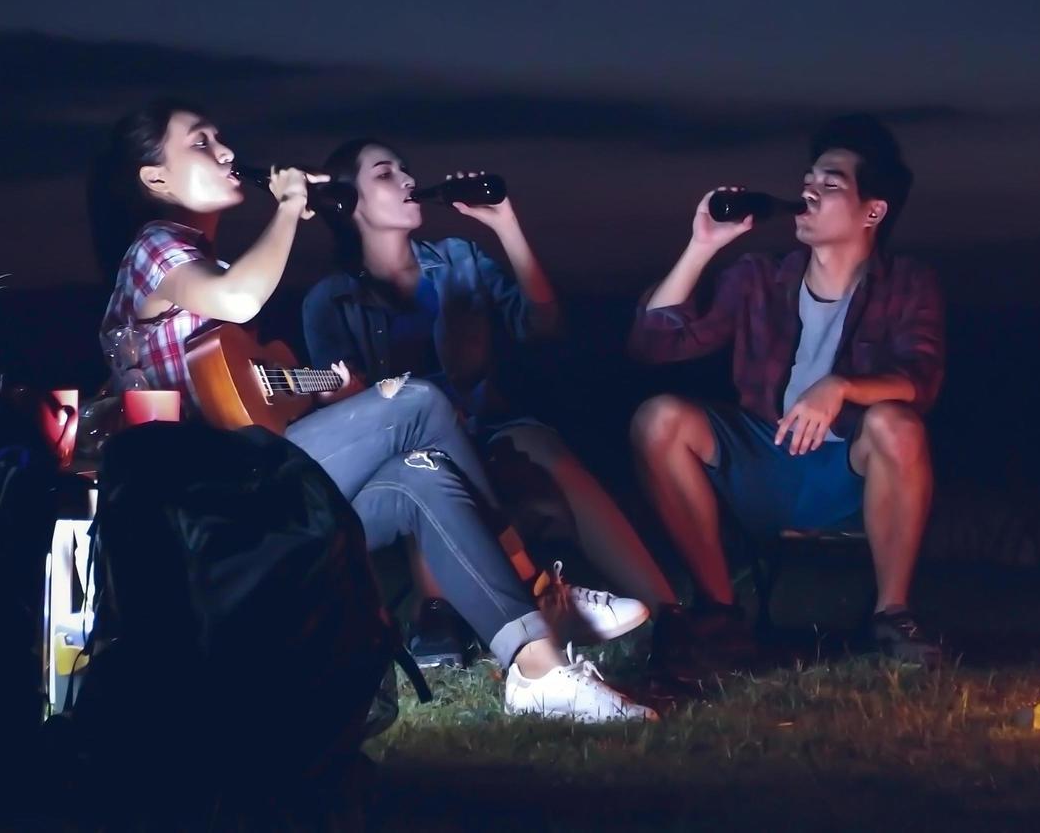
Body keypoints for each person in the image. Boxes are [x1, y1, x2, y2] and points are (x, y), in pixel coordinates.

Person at [88, 98, 654, 721]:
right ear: (156, 179)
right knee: (417, 400)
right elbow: (241, 299)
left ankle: (536, 670)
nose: (226, 151)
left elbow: (242, 394)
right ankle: (544, 588)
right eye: (201, 143)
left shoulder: (199, 261)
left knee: (422, 473)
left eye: (222, 138)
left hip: (252, 488)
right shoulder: (155, 247)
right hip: (214, 502)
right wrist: (286, 210)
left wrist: (318, 383)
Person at [301, 139, 672, 659]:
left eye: (407, 170)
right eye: (386, 174)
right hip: (407, 451)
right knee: (424, 464)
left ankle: (674, 617)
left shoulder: (458, 259)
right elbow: (333, 400)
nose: (409, 181)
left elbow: (544, 326)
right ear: (348, 202)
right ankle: (463, 611)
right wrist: (343, 395)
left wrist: (505, 226)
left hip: (487, 423)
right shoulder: (330, 299)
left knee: (544, 448)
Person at [627, 114, 945, 674]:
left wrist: (841, 387)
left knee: (898, 423)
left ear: (873, 210)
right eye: (808, 179)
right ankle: (719, 613)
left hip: (847, 472)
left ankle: (892, 617)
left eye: (831, 183)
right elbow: (655, 344)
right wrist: (702, 248)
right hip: (761, 462)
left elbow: (918, 377)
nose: (808, 190)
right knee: (658, 419)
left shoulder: (907, 283)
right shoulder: (758, 277)